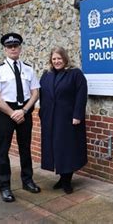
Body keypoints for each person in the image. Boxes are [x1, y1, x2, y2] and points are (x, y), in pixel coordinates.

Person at [0, 32, 41, 202]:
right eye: (9, 46)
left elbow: (35, 93)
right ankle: (5, 187)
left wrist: (24, 111)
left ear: (20, 48)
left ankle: (27, 181)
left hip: (25, 111)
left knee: (25, 148)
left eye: (15, 46)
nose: (13, 49)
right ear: (5, 49)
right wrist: (12, 113)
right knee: (3, 151)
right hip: (6, 113)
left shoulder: (28, 68)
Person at [39, 46, 88, 194]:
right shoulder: (46, 75)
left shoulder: (75, 74)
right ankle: (61, 177)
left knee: (68, 149)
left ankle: (67, 181)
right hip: (51, 119)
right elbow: (42, 96)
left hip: (68, 119)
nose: (56, 61)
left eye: (59, 58)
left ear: (65, 58)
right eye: (54, 59)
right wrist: (42, 114)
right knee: (55, 149)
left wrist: (77, 115)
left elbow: (81, 95)